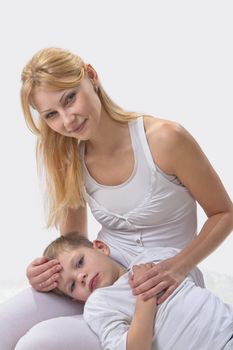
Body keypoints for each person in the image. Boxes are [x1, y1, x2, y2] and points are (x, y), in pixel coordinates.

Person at [0, 46, 232, 349]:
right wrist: (50, 274)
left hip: (160, 281)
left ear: (92, 76)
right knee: (5, 325)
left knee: (37, 343)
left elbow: (223, 213)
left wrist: (177, 267)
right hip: (99, 278)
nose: (67, 120)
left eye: (69, 98)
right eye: (51, 115)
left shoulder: (164, 140)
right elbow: (74, 240)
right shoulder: (69, 157)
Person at [42, 232, 233, 350]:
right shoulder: (99, 304)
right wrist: (145, 297)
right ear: (76, 300)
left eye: (80, 262)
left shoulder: (153, 257)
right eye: (72, 285)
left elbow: (194, 277)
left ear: (101, 248)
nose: (80, 277)